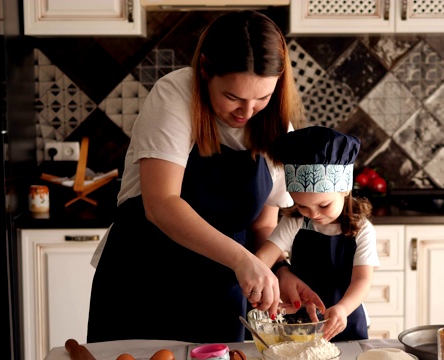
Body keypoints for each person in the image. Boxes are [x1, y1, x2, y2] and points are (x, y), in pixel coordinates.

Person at [86, 10, 323, 344]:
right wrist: (243, 260)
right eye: (232, 97)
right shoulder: (175, 95)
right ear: (204, 72)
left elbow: (261, 226)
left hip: (220, 296)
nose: (247, 111)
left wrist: (278, 270)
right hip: (142, 284)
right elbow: (162, 203)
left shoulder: (275, 126)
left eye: (263, 98)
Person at [256, 126, 379, 342]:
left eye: (323, 205)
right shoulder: (294, 221)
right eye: (302, 206)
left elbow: (362, 279)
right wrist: (260, 283)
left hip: (345, 317)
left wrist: (342, 308)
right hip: (301, 321)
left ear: (345, 189)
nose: (313, 215)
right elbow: (261, 260)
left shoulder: (362, 229)